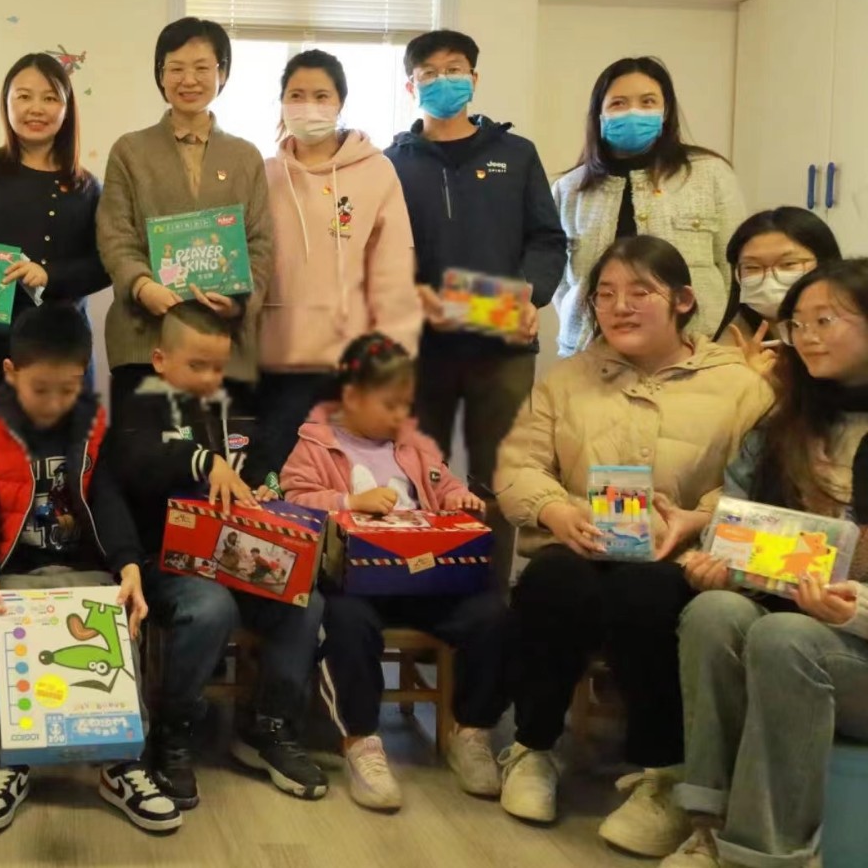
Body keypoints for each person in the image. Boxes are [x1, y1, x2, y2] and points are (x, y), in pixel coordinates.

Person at [493, 236, 772, 855]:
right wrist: (556, 509)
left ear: (682, 300)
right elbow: (519, 466)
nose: (620, 306)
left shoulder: (740, 386)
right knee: (550, 583)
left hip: (680, 555)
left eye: (640, 291)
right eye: (606, 294)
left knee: (646, 595)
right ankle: (533, 749)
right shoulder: (567, 379)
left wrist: (696, 520)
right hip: (582, 543)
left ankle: (663, 777)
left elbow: (756, 484)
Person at [667, 259, 868, 868]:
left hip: (847, 639)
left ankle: (765, 857)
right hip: (797, 618)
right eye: (797, 324)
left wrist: (852, 611)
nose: (805, 337)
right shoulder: (782, 426)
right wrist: (717, 564)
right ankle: (708, 823)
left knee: (787, 637)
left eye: (825, 321)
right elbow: (737, 526)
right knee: (715, 612)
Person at [0, 304, 174, 834]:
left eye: (69, 389)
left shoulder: (92, 428)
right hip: (14, 577)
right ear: (10, 374)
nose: (55, 402)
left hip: (86, 573)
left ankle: (121, 762)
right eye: (41, 389)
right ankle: (10, 760)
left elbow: (108, 500)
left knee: (120, 622)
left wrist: (128, 565)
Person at [111, 303, 327, 808]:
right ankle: (172, 730)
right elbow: (135, 462)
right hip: (163, 561)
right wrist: (204, 461)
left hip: (239, 556)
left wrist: (267, 488)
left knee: (305, 600)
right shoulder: (139, 407)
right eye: (196, 366)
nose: (209, 379)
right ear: (160, 360)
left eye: (218, 367)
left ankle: (268, 726)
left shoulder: (236, 409)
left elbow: (266, 466)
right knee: (211, 607)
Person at [281, 334, 507, 812]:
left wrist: (459, 500)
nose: (400, 415)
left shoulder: (414, 445)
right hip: (357, 582)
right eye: (389, 405)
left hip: (424, 579)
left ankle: (471, 731)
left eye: (407, 405)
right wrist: (349, 501)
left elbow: (443, 486)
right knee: (344, 622)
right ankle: (361, 740)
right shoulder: (316, 444)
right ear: (351, 397)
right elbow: (293, 501)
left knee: (490, 614)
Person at [385, 29, 565, 585]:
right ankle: (423, 587)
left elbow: (547, 239)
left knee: (502, 474)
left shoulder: (517, 154)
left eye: (455, 69)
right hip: (422, 348)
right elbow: (380, 252)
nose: (443, 80)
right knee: (420, 470)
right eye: (429, 72)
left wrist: (531, 294)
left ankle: (490, 595)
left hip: (503, 343)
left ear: (475, 78)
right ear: (410, 85)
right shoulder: (392, 162)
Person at [257, 50, 421, 479]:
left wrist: (392, 362)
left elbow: (392, 273)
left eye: (321, 96)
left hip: (349, 367)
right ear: (281, 102)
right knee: (274, 487)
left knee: (348, 486)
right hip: (276, 363)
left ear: (340, 103)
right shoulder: (263, 174)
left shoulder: (377, 171)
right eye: (296, 95)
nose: (308, 106)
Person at [96, 17, 272, 417]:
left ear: (222, 73)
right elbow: (115, 234)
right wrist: (142, 286)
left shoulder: (246, 156)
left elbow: (261, 243)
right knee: (146, 450)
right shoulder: (129, 151)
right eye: (175, 68)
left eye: (202, 67)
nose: (188, 80)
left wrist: (238, 303)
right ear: (160, 75)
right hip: (146, 339)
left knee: (222, 452)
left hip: (220, 344)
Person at [0, 53, 109, 452]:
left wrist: (48, 274)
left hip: (57, 354)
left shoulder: (86, 187)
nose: (36, 108)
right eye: (24, 96)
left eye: (50, 98)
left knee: (56, 471)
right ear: (7, 103)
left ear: (67, 107)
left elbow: (105, 265)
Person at [552, 56, 747, 356]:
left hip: (694, 350)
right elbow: (560, 282)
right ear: (599, 114)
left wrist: (716, 340)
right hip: (592, 351)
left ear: (665, 111)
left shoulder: (710, 174)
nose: (633, 112)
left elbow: (735, 265)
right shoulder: (569, 189)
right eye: (618, 103)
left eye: (647, 102)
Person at [711, 207, 839, 383]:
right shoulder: (731, 342)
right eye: (752, 267)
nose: (769, 279)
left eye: (789, 264)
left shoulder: (854, 327)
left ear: (825, 263)